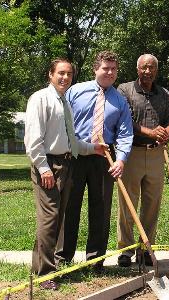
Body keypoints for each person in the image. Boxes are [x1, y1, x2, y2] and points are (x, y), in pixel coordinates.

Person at [24, 58, 107, 289]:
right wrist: (43, 168)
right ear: (50, 75)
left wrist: (93, 148)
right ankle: (45, 275)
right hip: (49, 165)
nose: (65, 78)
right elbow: (33, 140)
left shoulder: (64, 102)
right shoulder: (40, 99)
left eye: (69, 74)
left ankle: (39, 267)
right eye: (60, 73)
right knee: (50, 218)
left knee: (55, 219)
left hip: (67, 165)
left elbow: (71, 141)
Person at [55, 51, 133, 271]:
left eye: (113, 69)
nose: (109, 72)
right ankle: (63, 258)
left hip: (103, 158)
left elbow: (125, 134)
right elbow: (62, 122)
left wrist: (121, 160)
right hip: (76, 156)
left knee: (101, 209)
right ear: (95, 69)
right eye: (105, 68)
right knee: (70, 207)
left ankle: (95, 260)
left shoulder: (120, 101)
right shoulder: (75, 92)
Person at [116, 54, 169, 267]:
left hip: (157, 154)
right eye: (144, 68)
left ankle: (146, 248)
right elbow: (125, 121)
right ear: (137, 69)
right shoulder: (125, 90)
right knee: (128, 203)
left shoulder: (164, 94)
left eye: (151, 68)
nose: (147, 72)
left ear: (156, 70)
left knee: (152, 205)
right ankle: (125, 250)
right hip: (132, 153)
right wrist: (151, 132)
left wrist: (166, 133)